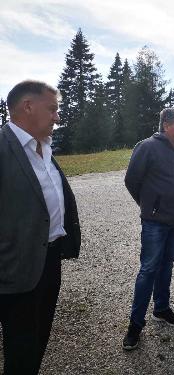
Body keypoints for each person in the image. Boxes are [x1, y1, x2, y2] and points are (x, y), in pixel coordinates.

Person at [0, 80, 81, 374]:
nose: (57, 118)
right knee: (20, 347)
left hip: (49, 260)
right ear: (28, 106)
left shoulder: (44, 147)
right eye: (53, 109)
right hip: (15, 267)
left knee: (38, 338)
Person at [122, 107, 174, 350]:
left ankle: (161, 309)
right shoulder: (147, 147)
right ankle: (135, 325)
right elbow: (132, 180)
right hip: (154, 221)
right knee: (148, 269)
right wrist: (148, 206)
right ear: (165, 125)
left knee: (167, 264)